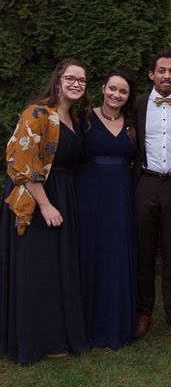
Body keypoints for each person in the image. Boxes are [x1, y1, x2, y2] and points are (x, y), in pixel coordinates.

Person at [0, 58, 90, 363]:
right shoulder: (37, 113)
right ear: (58, 80)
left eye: (82, 80)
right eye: (71, 78)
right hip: (37, 197)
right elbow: (21, 161)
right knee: (36, 270)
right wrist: (46, 204)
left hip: (62, 193)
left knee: (57, 269)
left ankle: (57, 336)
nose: (76, 84)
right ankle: (34, 341)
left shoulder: (73, 118)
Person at [75, 69, 137, 350]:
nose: (116, 95)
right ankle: (87, 324)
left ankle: (117, 322)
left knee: (117, 255)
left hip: (121, 196)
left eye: (122, 91)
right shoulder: (83, 119)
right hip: (89, 194)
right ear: (102, 88)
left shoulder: (132, 124)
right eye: (112, 89)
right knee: (90, 254)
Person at [133, 51, 171, 338]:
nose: (167, 75)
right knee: (143, 251)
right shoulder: (138, 104)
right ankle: (144, 311)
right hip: (145, 183)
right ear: (152, 75)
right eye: (161, 71)